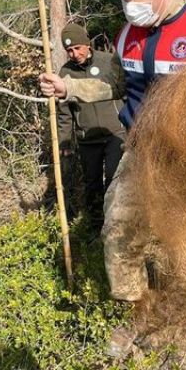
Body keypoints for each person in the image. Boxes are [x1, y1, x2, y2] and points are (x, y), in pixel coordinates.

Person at [40, 0, 186, 304]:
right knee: (118, 230)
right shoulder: (127, 34)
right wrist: (67, 86)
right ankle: (138, 311)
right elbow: (115, 85)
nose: (129, 4)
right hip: (141, 149)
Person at [56, 23, 126, 230]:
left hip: (115, 133)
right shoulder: (65, 72)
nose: (74, 53)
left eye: (77, 47)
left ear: (87, 44)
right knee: (92, 184)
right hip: (87, 139)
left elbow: (125, 90)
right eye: (69, 50)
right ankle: (97, 226)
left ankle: (117, 224)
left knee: (115, 179)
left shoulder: (108, 61)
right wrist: (64, 142)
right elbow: (64, 112)